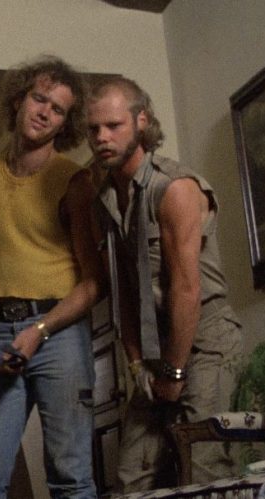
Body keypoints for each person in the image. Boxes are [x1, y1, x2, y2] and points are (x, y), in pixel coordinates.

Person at [0, 55, 102, 499]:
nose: (44, 113)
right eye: (39, 99)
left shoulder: (74, 181)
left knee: (71, 477)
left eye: (58, 110)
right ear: (19, 99)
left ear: (65, 124)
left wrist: (40, 330)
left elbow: (94, 282)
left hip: (61, 333)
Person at [85, 76, 242, 491]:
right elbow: (124, 290)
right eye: (94, 129)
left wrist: (174, 372)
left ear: (142, 121)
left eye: (113, 126)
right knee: (130, 479)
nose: (101, 138)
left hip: (204, 338)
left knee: (203, 471)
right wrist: (137, 363)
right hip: (153, 347)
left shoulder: (174, 188)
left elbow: (187, 289)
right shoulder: (104, 200)